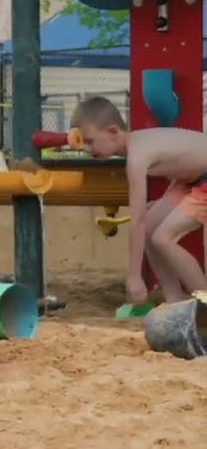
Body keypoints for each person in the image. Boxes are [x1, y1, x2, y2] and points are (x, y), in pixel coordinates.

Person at [72, 95, 207, 304]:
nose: (88, 150)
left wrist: (134, 277)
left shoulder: (136, 157)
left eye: (90, 141)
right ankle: (174, 299)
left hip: (202, 179)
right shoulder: (140, 143)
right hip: (192, 179)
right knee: (150, 228)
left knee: (163, 238)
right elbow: (186, 164)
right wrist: (165, 202)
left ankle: (205, 300)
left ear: (113, 132)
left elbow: (137, 220)